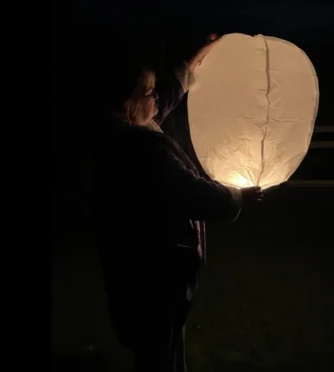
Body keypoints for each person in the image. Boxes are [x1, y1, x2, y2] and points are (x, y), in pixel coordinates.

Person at [93, 34, 262, 372]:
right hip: (156, 276)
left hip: (135, 272)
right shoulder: (144, 151)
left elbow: (167, 95)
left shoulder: (119, 135)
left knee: (159, 343)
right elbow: (192, 193)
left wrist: (195, 60)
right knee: (160, 347)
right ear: (130, 104)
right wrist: (237, 196)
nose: (156, 98)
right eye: (149, 93)